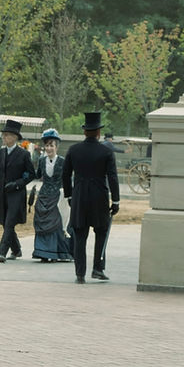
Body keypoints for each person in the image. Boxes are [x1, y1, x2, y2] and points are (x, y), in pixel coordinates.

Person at [63, 112, 120, 282]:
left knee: (80, 234)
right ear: (98, 133)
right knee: (101, 232)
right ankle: (98, 268)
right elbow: (112, 177)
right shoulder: (106, 151)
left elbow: (65, 175)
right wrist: (115, 200)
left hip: (79, 195)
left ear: (84, 131)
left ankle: (80, 273)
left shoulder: (74, 150)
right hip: (99, 196)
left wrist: (69, 195)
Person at [0, 119, 35, 262]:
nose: (4, 138)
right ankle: (16, 250)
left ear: (15, 137)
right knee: (6, 223)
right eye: (4, 135)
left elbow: (31, 174)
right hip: (1, 193)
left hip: (16, 194)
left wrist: (17, 184)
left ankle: (2, 251)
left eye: (7, 135)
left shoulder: (24, 155)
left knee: (10, 221)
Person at [30, 128, 72, 262]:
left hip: (57, 196)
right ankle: (42, 252)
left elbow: (68, 179)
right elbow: (37, 175)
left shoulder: (63, 161)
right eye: (47, 145)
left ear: (57, 147)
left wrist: (68, 195)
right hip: (43, 196)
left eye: (51, 145)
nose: (49, 148)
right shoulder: (42, 161)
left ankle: (54, 252)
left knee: (56, 223)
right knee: (41, 222)